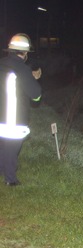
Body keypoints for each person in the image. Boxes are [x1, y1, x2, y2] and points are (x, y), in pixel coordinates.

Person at [0, 33, 42, 186]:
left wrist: (27, 76)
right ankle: (10, 180)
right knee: (12, 147)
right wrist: (33, 78)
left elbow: (10, 78)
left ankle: (2, 170)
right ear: (24, 53)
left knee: (3, 146)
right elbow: (36, 95)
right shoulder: (23, 69)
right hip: (14, 118)